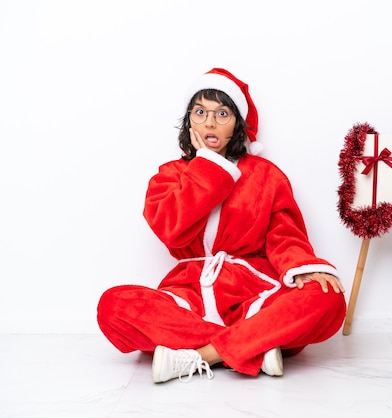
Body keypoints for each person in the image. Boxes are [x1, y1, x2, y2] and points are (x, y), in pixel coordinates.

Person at [97, 68, 347, 383]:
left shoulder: (266, 175)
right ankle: (256, 346)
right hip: (189, 297)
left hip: (253, 293)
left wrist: (305, 268)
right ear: (189, 121)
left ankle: (202, 355)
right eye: (200, 112)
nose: (210, 122)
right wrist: (206, 167)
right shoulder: (169, 176)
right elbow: (171, 229)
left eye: (222, 113)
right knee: (113, 306)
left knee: (327, 297)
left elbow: (286, 238)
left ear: (237, 126)